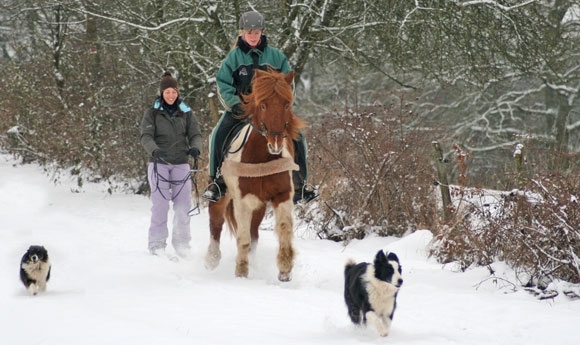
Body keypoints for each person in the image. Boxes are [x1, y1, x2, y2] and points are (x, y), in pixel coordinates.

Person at [203, 10, 318, 204]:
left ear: (262, 33)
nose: (253, 36)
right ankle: (216, 182)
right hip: (242, 109)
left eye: (257, 32)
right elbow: (223, 83)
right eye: (250, 32)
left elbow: (288, 85)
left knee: (298, 136)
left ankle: (301, 185)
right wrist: (234, 104)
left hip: (272, 111)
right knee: (217, 134)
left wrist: (283, 108)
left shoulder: (276, 57)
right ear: (242, 33)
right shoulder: (233, 58)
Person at [140, 71, 202, 258]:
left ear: (177, 93)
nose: (171, 95)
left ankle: (182, 243)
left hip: (181, 163)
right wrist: (154, 149)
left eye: (173, 92)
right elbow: (146, 136)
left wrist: (195, 148)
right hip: (159, 163)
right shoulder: (152, 113)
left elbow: (195, 134)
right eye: (167, 92)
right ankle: (157, 244)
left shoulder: (186, 112)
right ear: (161, 93)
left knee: (183, 205)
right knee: (160, 205)